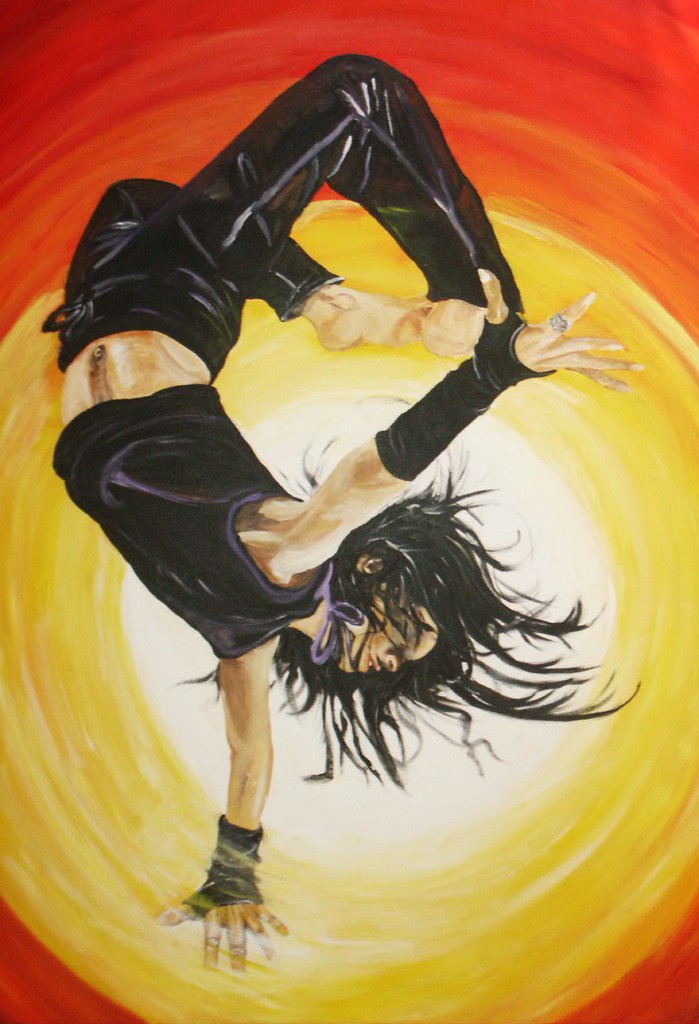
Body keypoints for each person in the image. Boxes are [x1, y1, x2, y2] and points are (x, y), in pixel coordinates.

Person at [44, 54, 639, 971]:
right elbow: (370, 474)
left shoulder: (245, 630)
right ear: (381, 575)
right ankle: (465, 299)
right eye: (410, 635)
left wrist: (234, 874)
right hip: (176, 296)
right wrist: (491, 370)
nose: (388, 656)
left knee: (168, 187)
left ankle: (332, 303)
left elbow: (249, 758)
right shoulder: (297, 557)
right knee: (360, 97)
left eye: (394, 663)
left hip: (109, 284)